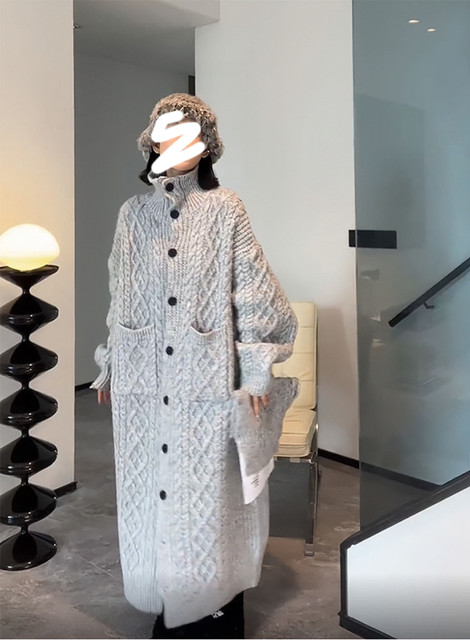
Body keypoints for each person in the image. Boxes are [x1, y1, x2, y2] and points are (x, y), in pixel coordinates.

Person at [90, 93, 298, 639]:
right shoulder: (132, 215)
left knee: (207, 497)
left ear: (206, 147)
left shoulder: (226, 209)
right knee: (149, 494)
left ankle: (212, 605)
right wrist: (111, 361)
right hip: (143, 379)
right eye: (165, 133)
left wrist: (257, 365)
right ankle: (165, 600)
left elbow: (253, 291)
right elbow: (121, 294)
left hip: (206, 380)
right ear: (152, 143)